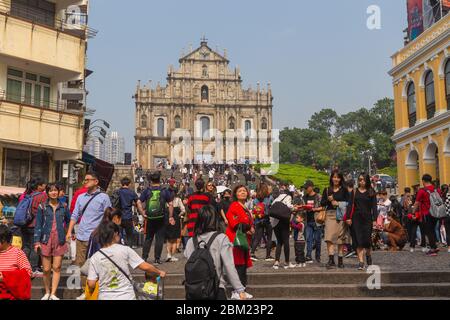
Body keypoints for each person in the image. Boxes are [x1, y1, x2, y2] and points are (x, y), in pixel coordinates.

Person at [87, 222, 166, 300]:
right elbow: (144, 266)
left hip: (105, 296)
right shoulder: (125, 250)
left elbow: (91, 284)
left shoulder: (95, 257)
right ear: (115, 234)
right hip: (126, 296)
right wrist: (159, 272)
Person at [184, 205, 250, 300]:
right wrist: (240, 289)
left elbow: (189, 263)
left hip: (194, 290)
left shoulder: (191, 241)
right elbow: (229, 266)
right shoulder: (221, 238)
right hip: (215, 289)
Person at [66, 172, 112, 300]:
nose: (85, 182)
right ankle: (84, 290)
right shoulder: (81, 197)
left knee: (98, 264)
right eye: (84, 180)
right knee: (80, 265)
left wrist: (100, 230)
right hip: (81, 235)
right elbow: (75, 215)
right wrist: (69, 231)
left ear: (96, 182)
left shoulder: (104, 197)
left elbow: (108, 216)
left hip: (97, 238)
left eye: (87, 180)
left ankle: (99, 288)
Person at [34, 183, 71, 300]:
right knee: (45, 269)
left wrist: (69, 233)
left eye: (56, 190)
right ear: (47, 192)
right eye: (51, 190)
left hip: (59, 239)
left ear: (59, 192)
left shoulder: (64, 206)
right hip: (45, 239)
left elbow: (69, 221)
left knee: (57, 267)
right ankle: (47, 291)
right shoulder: (42, 206)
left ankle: (53, 294)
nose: (53, 192)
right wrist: (36, 241)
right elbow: (38, 225)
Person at [137, 172, 174, 264]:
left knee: (148, 238)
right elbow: (171, 204)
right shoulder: (164, 190)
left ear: (151, 180)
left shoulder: (147, 190)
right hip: (162, 217)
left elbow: (138, 202)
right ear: (160, 179)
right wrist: (170, 216)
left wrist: (142, 213)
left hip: (150, 218)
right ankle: (157, 259)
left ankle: (144, 258)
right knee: (159, 238)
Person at [345, 174, 378, 271]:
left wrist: (375, 220)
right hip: (356, 218)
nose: (361, 181)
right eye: (360, 180)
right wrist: (348, 217)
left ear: (367, 180)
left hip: (367, 218)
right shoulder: (354, 192)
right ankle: (361, 262)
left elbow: (374, 207)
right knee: (358, 240)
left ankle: (368, 254)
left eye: (363, 180)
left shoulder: (371, 191)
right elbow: (350, 205)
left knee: (367, 240)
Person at [225, 185, 254, 292]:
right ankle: (237, 291)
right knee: (238, 265)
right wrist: (248, 228)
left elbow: (248, 222)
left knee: (243, 265)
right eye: (240, 191)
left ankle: (242, 289)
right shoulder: (234, 205)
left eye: (244, 191)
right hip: (236, 240)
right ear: (235, 194)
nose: (243, 192)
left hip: (244, 240)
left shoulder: (245, 207)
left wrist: (251, 228)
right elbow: (234, 224)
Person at [321, 170, 350, 269]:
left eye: (338, 177)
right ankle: (331, 259)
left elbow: (349, 203)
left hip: (341, 215)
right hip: (330, 215)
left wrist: (338, 203)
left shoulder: (344, 190)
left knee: (340, 239)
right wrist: (328, 199)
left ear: (341, 179)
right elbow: (322, 203)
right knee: (329, 237)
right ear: (331, 178)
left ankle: (340, 260)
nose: (336, 179)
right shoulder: (327, 189)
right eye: (334, 177)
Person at [20, 177, 48, 276]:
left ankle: (23, 266)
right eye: (44, 184)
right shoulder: (42, 196)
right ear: (39, 186)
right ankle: (33, 268)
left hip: (24, 224)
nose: (45, 186)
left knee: (26, 246)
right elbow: (46, 211)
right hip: (35, 225)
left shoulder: (27, 195)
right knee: (35, 246)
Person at [0, 225, 32, 300]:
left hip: (11, 293)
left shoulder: (17, 253)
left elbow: (28, 272)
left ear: (4, 240)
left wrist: (5, 277)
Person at [271, 185, 297, 269]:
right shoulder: (288, 196)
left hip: (275, 222)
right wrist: (294, 208)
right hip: (283, 221)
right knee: (286, 242)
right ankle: (287, 262)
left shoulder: (276, 198)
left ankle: (276, 262)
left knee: (279, 242)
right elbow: (289, 206)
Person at [413, 174, 439, 256]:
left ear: (423, 181)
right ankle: (435, 245)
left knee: (429, 231)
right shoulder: (436, 189)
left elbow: (417, 203)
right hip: (436, 212)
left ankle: (433, 249)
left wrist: (413, 211)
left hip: (426, 213)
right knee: (433, 229)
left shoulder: (422, 191)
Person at [302, 180, 323, 264]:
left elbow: (323, 207)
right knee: (309, 239)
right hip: (308, 221)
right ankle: (308, 255)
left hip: (317, 220)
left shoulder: (318, 196)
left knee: (318, 240)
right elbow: (303, 208)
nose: (305, 189)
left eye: (307, 187)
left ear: (311, 187)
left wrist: (314, 209)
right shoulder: (304, 197)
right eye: (305, 188)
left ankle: (318, 256)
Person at [117, 177, 139, 247]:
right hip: (128, 217)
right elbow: (138, 202)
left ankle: (119, 249)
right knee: (129, 235)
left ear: (121, 183)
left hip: (119, 217)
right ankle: (129, 249)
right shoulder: (132, 192)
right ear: (129, 184)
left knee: (118, 234)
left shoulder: (118, 192)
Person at [166, 189, 185, 262]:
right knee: (174, 239)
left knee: (169, 238)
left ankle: (168, 254)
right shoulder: (178, 200)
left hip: (168, 220)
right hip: (176, 220)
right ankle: (172, 256)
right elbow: (183, 210)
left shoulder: (166, 200)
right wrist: (178, 215)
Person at [443, 185, 450, 253]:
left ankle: (449, 247)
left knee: (448, 233)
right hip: (447, 216)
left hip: (447, 216)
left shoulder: (445, 196)